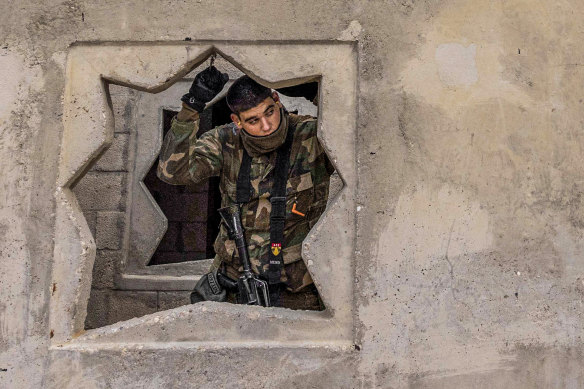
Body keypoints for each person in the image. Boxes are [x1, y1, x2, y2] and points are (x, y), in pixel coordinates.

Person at [157, 65, 334, 310]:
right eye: (252, 120)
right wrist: (191, 109)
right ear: (237, 121)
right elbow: (172, 172)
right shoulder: (224, 140)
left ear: (276, 100)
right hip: (234, 286)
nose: (266, 125)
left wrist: (315, 91)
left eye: (269, 112)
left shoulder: (311, 136)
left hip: (296, 292)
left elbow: (361, 138)